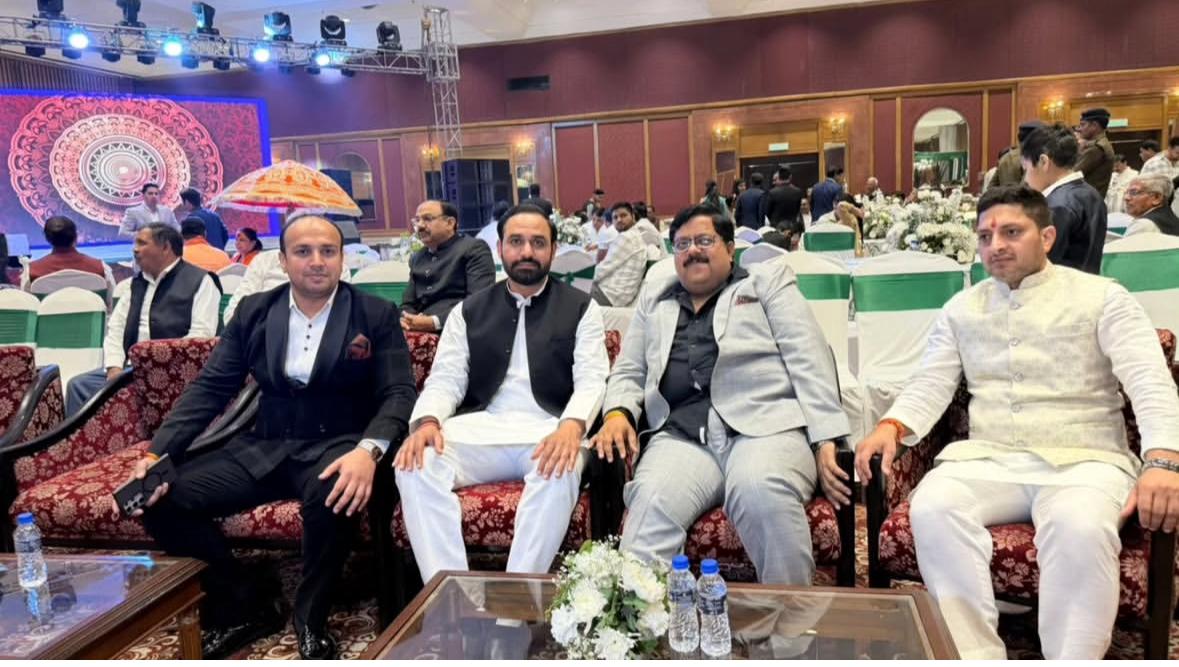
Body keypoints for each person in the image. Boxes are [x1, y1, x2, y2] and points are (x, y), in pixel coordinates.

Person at [853, 185, 1179, 659]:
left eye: (1011, 232)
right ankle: (972, 655)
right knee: (933, 507)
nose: (996, 245)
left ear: (1046, 237)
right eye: (985, 236)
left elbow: (1150, 381)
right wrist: (893, 426)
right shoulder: (961, 308)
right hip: (990, 459)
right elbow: (930, 383)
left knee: (1079, 526)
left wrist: (1164, 459)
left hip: (1085, 459)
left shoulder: (1103, 298)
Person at [120, 215, 417, 660]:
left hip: (339, 443)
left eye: (328, 251)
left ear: (342, 259)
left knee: (334, 494)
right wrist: (156, 453)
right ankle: (244, 602)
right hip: (265, 444)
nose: (316, 261)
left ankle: (310, 619)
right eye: (303, 252)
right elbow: (211, 388)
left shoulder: (374, 313)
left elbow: (398, 392)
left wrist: (368, 451)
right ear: (283, 260)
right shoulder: (255, 311)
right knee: (160, 498)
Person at [593, 204, 849, 585]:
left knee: (759, 490)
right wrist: (617, 412)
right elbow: (629, 370)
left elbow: (809, 359)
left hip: (765, 430)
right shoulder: (655, 299)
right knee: (649, 505)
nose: (692, 251)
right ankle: (647, 621)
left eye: (704, 240)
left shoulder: (766, 284)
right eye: (682, 244)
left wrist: (826, 438)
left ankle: (791, 622)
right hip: (682, 437)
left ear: (730, 249)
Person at [394, 203, 607, 583]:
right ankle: (454, 593)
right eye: (516, 241)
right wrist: (427, 421)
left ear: (553, 250)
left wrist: (572, 426)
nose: (527, 251)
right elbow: (445, 379)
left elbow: (592, 377)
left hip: (549, 430)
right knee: (415, 463)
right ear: (500, 248)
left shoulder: (581, 307)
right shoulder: (468, 310)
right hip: (483, 428)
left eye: (538, 243)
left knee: (560, 466)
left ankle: (516, 601)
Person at [67, 224, 219, 415]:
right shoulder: (136, 284)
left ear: (165, 247)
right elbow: (116, 329)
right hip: (130, 369)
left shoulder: (201, 281)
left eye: (142, 243)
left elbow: (201, 336)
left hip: (173, 371)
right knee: (79, 386)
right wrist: (114, 367)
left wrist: (156, 363)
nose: (135, 249)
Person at [1021, 123, 1106, 273]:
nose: (1026, 178)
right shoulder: (1092, 193)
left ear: (1043, 162)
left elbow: (1042, 265)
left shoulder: (1056, 205)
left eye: (1026, 169)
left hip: (1059, 285)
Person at [400, 200, 496, 333]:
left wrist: (434, 322)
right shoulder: (417, 257)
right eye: (417, 220)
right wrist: (406, 319)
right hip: (418, 330)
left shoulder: (473, 249)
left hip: (458, 331)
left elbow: (478, 302)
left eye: (427, 219)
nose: (420, 226)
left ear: (450, 223)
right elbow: (407, 304)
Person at [590, 202, 648, 307]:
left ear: (633, 216)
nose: (619, 220)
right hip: (619, 295)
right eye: (615, 217)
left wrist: (585, 280)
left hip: (610, 295)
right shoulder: (635, 235)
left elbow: (603, 269)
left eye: (623, 215)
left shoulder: (626, 237)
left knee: (572, 289)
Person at [27, 215, 110, 282]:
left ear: (47, 239)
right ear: (76, 237)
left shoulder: (32, 272)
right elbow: (111, 296)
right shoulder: (101, 268)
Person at [1074, 108, 1116, 197]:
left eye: (1083, 125)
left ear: (1094, 125)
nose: (1079, 129)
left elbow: (1072, 174)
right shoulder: (1102, 143)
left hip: (1087, 200)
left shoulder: (1096, 148)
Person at [178, 188, 230, 252]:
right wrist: (219, 247)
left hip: (202, 254)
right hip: (219, 254)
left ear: (187, 202)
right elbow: (225, 234)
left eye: (182, 201)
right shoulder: (214, 215)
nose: (181, 204)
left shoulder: (191, 220)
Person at [765, 167, 805, 236]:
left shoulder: (772, 192)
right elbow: (797, 209)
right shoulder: (797, 191)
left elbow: (767, 211)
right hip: (792, 226)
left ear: (779, 177)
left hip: (776, 226)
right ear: (790, 177)